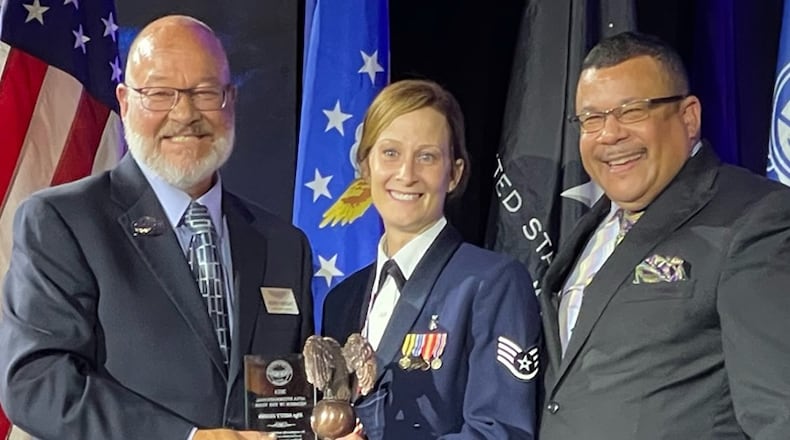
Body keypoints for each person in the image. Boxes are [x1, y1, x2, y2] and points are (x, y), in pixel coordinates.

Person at [0, 15, 313, 440]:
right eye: (160, 93)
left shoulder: (284, 245)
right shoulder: (63, 221)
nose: (185, 114)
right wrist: (187, 438)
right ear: (125, 102)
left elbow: (293, 397)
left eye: (205, 92)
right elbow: (37, 382)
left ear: (230, 100)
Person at [539, 31, 790, 439]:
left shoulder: (755, 218)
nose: (609, 134)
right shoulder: (590, 229)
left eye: (631, 111)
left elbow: (780, 411)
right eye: (592, 118)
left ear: (688, 117)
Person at [322, 79, 541, 439]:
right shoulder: (341, 301)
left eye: (427, 157)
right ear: (365, 166)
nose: (406, 174)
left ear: (454, 174)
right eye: (390, 153)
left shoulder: (493, 283)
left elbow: (500, 432)